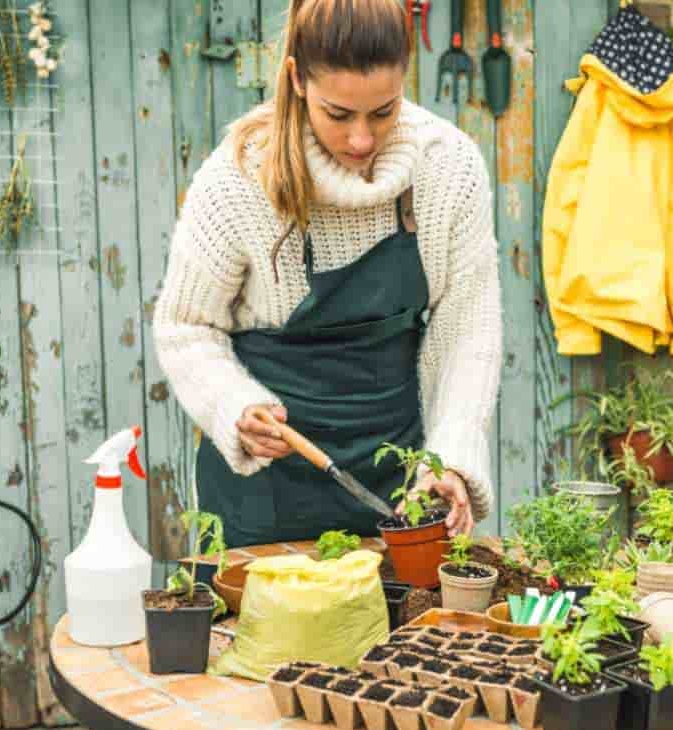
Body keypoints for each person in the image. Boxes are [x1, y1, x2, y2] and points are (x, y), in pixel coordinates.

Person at [152, 0, 501, 548]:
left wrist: (449, 456)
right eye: (338, 114)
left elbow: (467, 326)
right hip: (266, 497)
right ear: (296, 79)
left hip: (398, 489)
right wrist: (234, 406)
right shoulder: (240, 176)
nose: (362, 139)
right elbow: (185, 327)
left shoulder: (447, 166)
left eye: (383, 111)